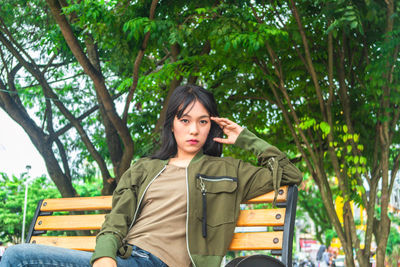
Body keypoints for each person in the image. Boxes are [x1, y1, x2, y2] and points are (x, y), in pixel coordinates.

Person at [0, 84, 302, 267]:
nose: (194, 129)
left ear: (213, 126)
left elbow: (290, 173)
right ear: (172, 124)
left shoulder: (228, 170)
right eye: (185, 120)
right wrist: (105, 256)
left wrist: (246, 138)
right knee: (17, 258)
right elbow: (116, 219)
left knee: (17, 260)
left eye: (203, 121)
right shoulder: (144, 168)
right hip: (125, 258)